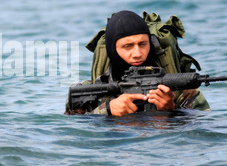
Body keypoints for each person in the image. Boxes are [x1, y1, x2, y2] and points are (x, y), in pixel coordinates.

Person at [65, 10, 210, 116]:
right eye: (127, 46)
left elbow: (201, 130)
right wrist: (107, 110)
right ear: (112, 50)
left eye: (143, 44)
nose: (137, 54)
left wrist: (172, 109)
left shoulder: (183, 92)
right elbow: (74, 134)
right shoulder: (88, 93)